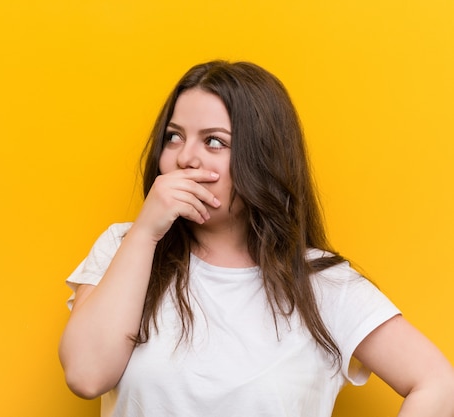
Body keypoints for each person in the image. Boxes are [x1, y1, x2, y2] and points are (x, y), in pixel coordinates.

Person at [58, 60, 454, 417]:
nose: (184, 158)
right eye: (174, 137)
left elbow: (438, 383)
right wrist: (146, 232)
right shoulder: (124, 247)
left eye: (214, 141)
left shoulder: (322, 283)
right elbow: (86, 376)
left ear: (261, 157)